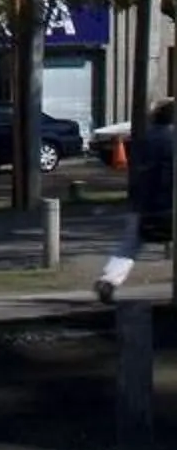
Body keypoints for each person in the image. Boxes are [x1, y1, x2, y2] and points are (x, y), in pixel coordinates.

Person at [96, 97, 174, 302]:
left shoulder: (146, 138)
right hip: (168, 201)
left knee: (129, 245)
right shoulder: (172, 139)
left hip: (142, 201)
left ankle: (109, 280)